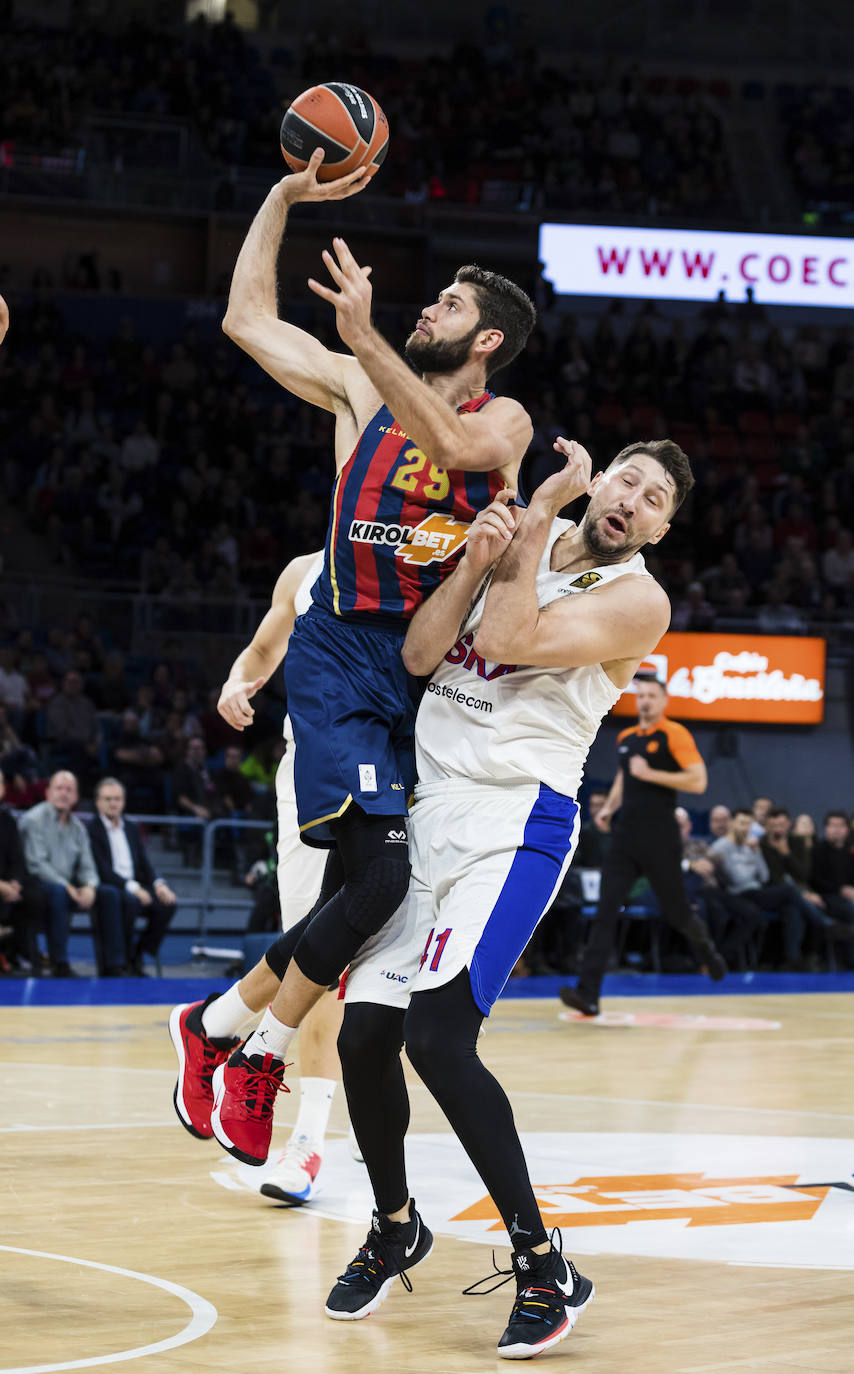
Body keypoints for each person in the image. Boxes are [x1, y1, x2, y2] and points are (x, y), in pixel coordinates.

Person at [173, 434, 691, 1359]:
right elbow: (421, 654)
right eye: (628, 480)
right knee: (369, 1032)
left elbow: (505, 639)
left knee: (439, 1038)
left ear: (660, 526)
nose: (633, 501)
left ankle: (544, 1265)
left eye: (655, 500)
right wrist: (485, 551)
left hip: (515, 820)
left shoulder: (638, 597)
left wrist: (533, 517)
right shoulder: (506, 540)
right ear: (602, 475)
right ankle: (394, 1221)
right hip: (428, 803)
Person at [210, 150, 536, 1132]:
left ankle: (238, 1037)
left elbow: (456, 448)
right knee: (348, 891)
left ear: (482, 339)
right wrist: (279, 198)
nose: (421, 308)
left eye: (443, 303)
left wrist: (360, 334)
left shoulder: (504, 420)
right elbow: (246, 321)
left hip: (433, 694)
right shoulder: (359, 387)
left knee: (380, 911)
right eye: (426, 299)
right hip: (346, 671)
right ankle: (278, 1098)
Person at [171, 550, 346, 1203]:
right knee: (324, 961)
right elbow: (262, 647)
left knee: (368, 973)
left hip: (411, 784)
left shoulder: (429, 555)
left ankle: (215, 1023)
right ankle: (307, 1141)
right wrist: (238, 681)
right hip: (317, 777)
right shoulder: (304, 570)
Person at [560, 676, 725, 1017]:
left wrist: (651, 774)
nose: (646, 701)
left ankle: (708, 952)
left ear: (664, 701)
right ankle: (588, 995)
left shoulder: (673, 734)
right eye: (641, 695)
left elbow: (699, 780)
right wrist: (609, 808)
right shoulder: (627, 738)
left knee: (678, 912)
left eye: (652, 695)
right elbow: (624, 777)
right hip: (626, 837)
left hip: (661, 838)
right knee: (606, 913)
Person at [19, 770, 125, 975]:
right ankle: (60, 963)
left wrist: (90, 887)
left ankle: (114, 965)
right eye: (59, 788)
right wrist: (67, 886)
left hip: (69, 885)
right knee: (58, 893)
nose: (64, 794)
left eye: (69, 790)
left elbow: (87, 864)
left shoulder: (78, 827)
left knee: (108, 893)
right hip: (38, 884)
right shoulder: (33, 820)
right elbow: (37, 864)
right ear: (48, 792)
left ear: (76, 797)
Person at [87, 777, 177, 975]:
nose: (113, 803)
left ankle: (139, 952)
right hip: (110, 886)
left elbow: (145, 863)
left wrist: (158, 884)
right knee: (128, 901)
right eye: (108, 799)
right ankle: (123, 963)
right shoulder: (91, 829)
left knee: (167, 904)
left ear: (124, 801)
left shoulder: (131, 827)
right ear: (98, 802)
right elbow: (102, 869)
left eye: (117, 799)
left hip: (136, 885)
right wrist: (134, 888)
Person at [710, 807, 806, 969]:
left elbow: (764, 877)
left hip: (756, 892)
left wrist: (756, 853)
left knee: (792, 909)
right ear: (732, 823)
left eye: (748, 824)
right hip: (738, 893)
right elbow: (737, 879)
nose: (744, 828)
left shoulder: (751, 846)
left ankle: (792, 959)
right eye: (741, 823)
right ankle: (824, 923)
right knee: (788, 890)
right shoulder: (721, 847)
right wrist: (748, 868)